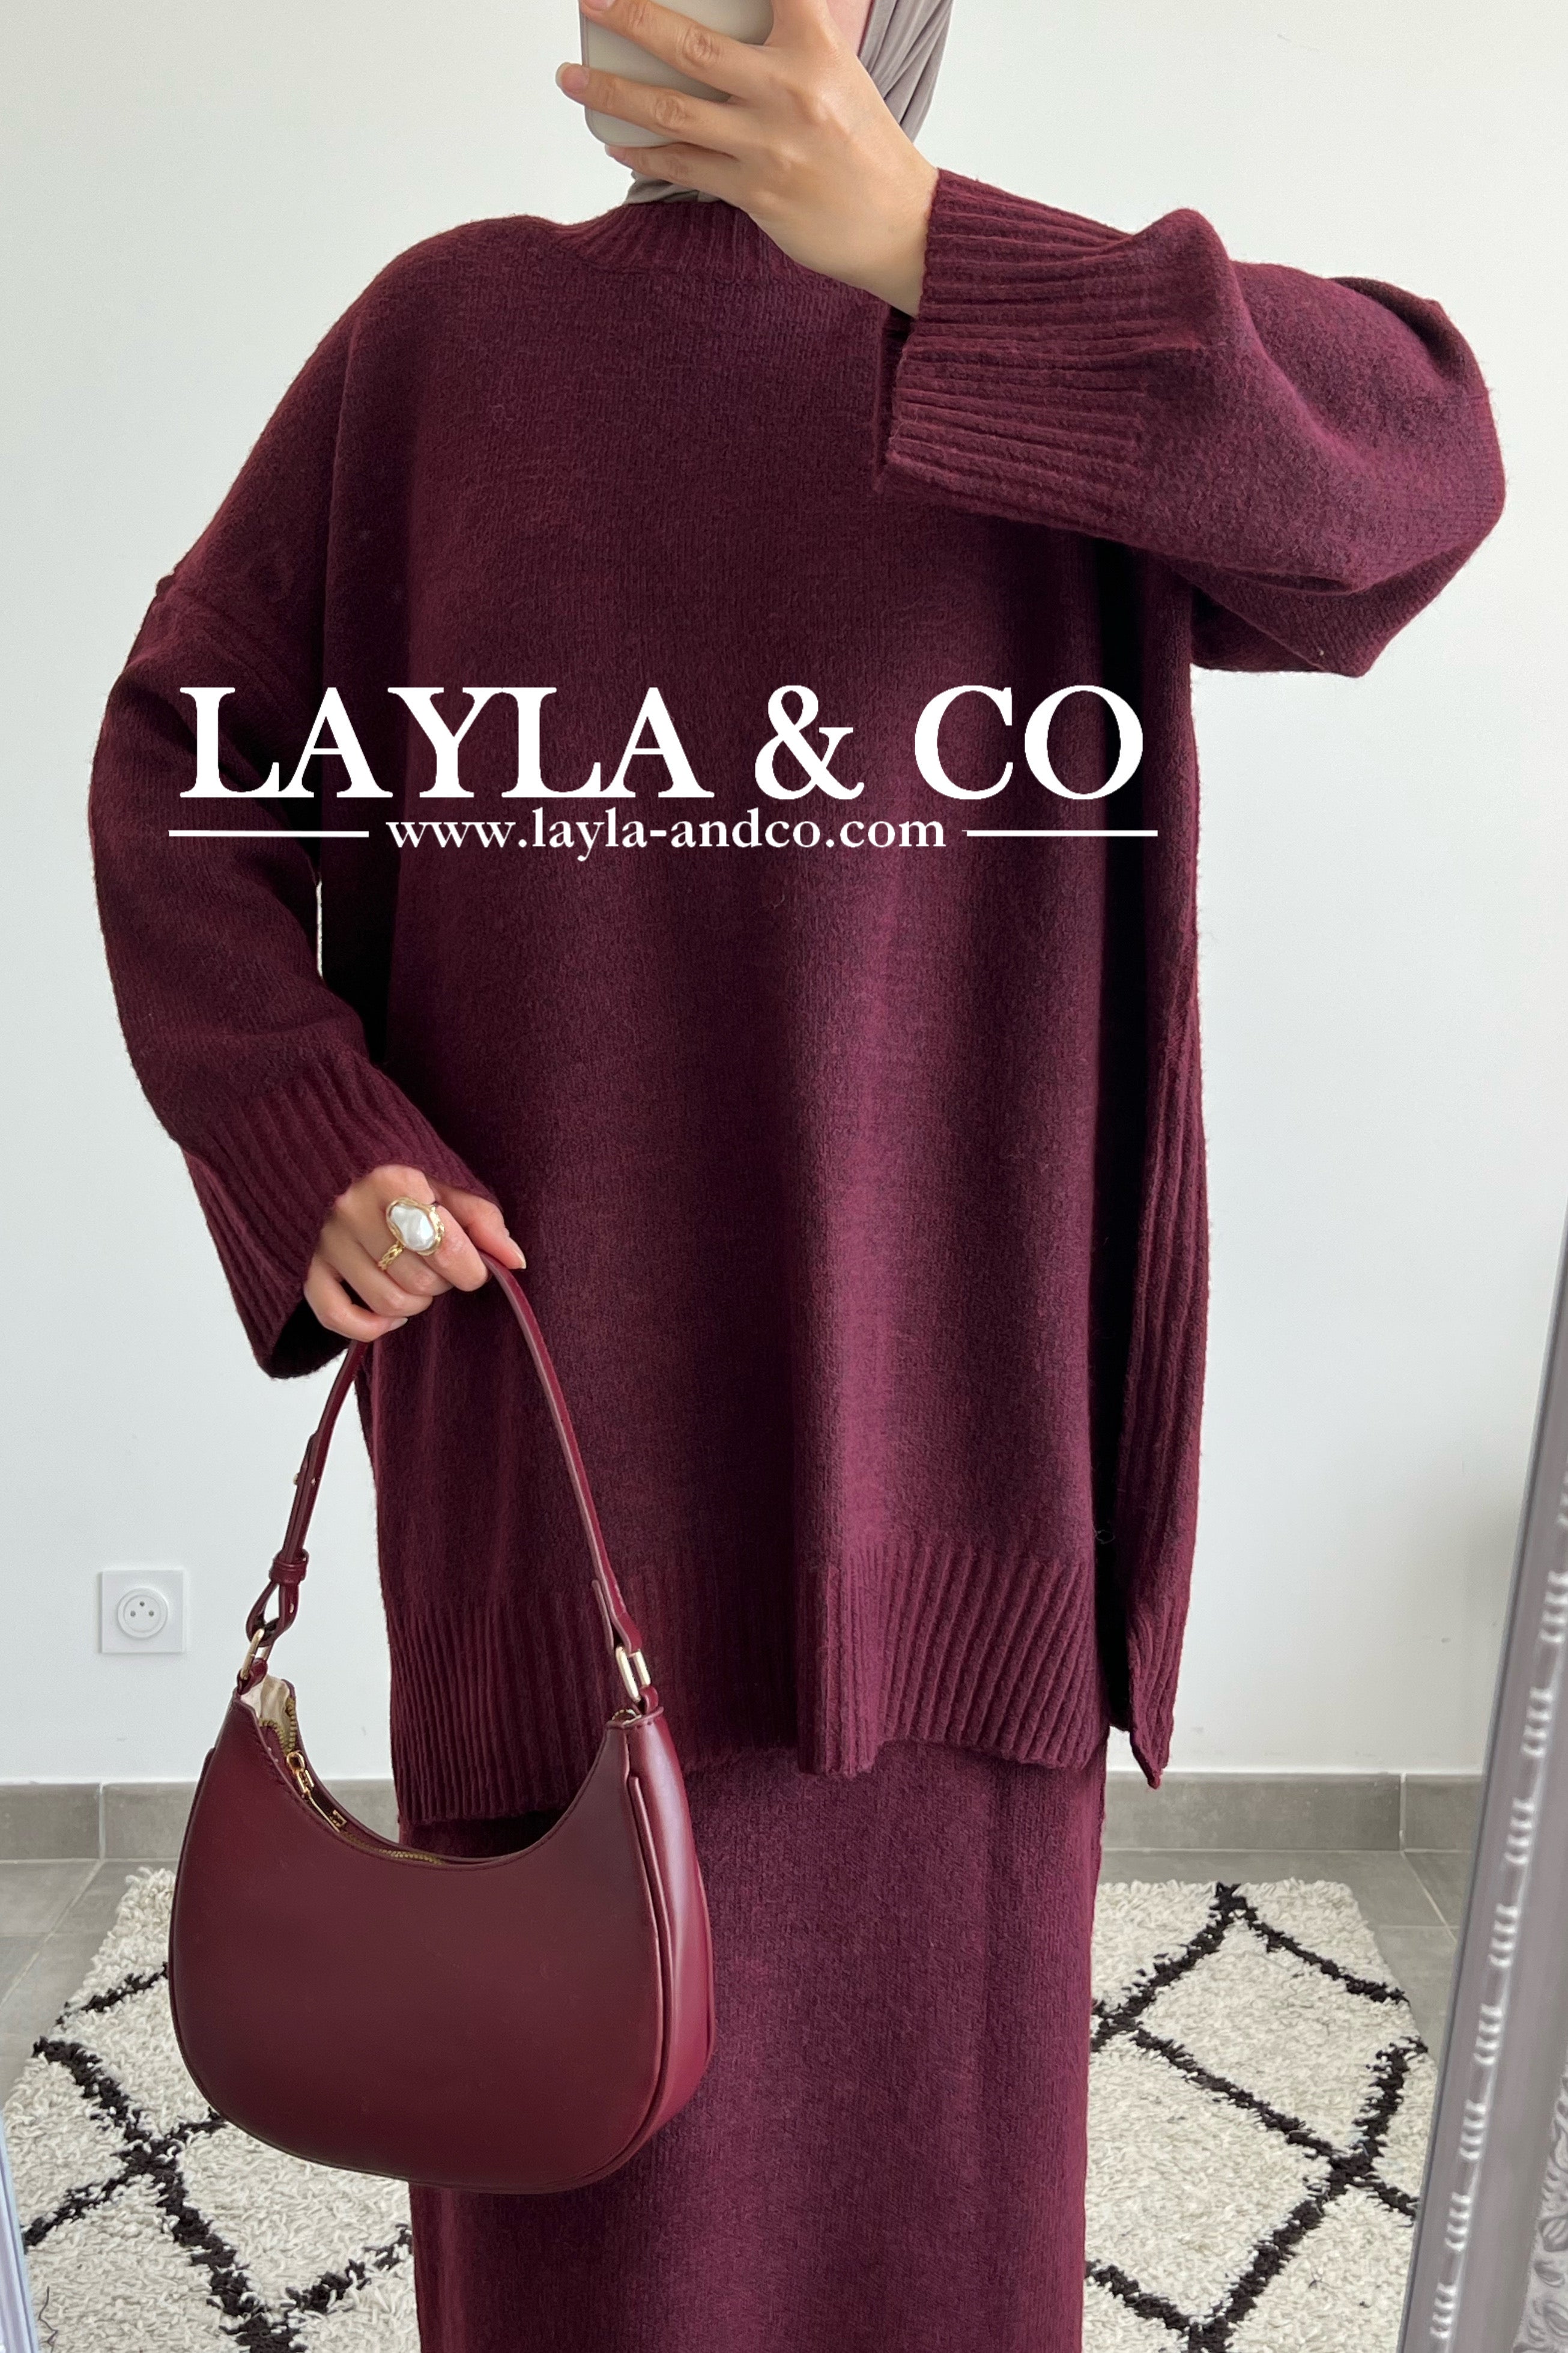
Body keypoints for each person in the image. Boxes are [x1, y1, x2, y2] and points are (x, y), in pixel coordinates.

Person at [86, 0, 1506, 2342]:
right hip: (560, 1520)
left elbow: (1421, 468)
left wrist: (936, 247)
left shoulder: (1050, 367)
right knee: (569, 2220)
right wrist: (299, 1125)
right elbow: (183, 757)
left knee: (926, 2248)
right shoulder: (443, 348)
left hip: (958, 1530)